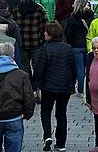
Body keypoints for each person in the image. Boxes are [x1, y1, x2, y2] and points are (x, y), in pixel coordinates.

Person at [33, 22, 76, 152]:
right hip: (64, 87)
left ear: (50, 34)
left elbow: (39, 68)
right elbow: (73, 68)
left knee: (46, 111)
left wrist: (36, 85)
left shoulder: (45, 48)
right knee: (61, 114)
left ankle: (47, 136)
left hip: (48, 87)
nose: (44, 33)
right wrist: (72, 84)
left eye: (46, 32)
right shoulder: (68, 48)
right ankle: (61, 143)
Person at [10, 0, 46, 80]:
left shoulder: (16, 9)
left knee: (24, 65)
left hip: (22, 41)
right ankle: (36, 86)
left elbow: (13, 26)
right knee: (37, 65)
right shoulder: (39, 9)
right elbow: (44, 26)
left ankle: (27, 84)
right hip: (36, 41)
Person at [64, 0, 94, 93]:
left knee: (79, 68)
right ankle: (88, 88)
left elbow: (68, 34)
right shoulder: (91, 18)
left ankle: (81, 89)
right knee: (88, 68)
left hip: (76, 45)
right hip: (88, 45)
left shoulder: (72, 18)